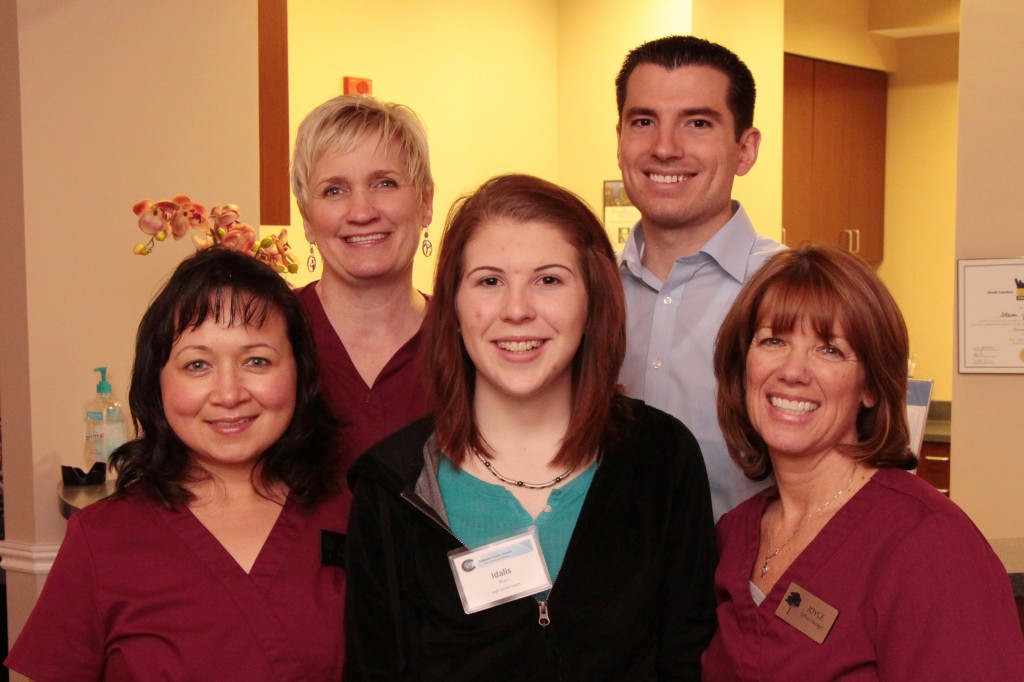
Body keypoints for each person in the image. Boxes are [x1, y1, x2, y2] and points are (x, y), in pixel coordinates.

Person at [344, 174, 717, 680]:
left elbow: (686, 660)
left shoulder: (662, 459)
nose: (517, 310)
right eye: (490, 281)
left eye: (549, 280)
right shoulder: (392, 486)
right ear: (453, 305)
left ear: (593, 301)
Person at [6, 248, 348, 681]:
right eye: (197, 364)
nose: (229, 393)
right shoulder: (100, 539)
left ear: (299, 372)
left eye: (257, 360)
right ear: (157, 380)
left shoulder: (350, 516)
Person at [703, 245, 1024, 679]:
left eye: (829, 350)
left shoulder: (930, 544)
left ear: (870, 386)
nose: (793, 370)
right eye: (774, 340)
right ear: (744, 368)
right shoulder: (736, 535)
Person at [615, 35, 784, 520]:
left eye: (697, 123)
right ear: (621, 140)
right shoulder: (585, 296)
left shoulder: (791, 294)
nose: (665, 148)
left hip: (745, 590)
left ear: (745, 150)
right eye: (643, 122)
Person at [291, 94, 434, 472]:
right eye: (334, 190)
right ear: (307, 218)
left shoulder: (469, 337)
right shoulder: (270, 334)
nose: (362, 212)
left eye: (385, 183)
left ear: (426, 202)